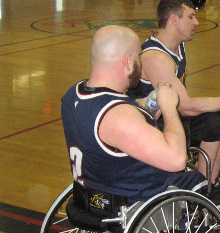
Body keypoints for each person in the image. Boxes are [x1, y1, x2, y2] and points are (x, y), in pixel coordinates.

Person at [128, 0, 220, 208]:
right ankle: (201, 189)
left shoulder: (177, 47)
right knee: (214, 121)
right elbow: (187, 107)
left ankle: (210, 183)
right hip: (150, 125)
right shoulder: (156, 57)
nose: (197, 22)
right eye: (191, 16)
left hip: (169, 115)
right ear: (174, 20)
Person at [61, 25, 207, 204]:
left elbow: (115, 123)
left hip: (90, 194)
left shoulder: (72, 94)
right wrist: (169, 107)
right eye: (139, 55)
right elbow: (176, 160)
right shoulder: (118, 115)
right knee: (199, 181)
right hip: (130, 199)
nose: (141, 60)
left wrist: (149, 104)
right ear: (128, 61)